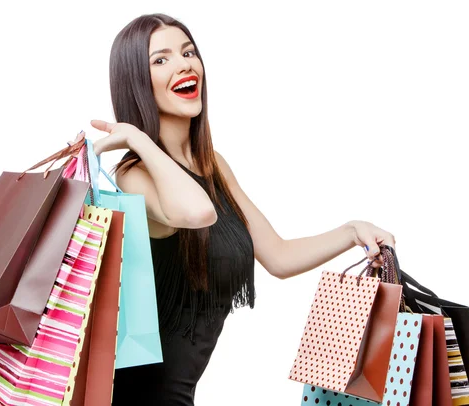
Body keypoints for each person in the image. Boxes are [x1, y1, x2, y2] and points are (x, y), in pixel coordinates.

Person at [88, 13, 395, 406]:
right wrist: (137, 139)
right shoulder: (135, 175)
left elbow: (279, 257)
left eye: (188, 52)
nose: (184, 63)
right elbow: (197, 214)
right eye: (161, 59)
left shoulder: (213, 165)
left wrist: (352, 231)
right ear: (136, 82)